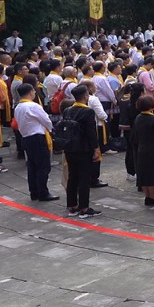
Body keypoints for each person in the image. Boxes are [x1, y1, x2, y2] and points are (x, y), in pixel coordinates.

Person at [62, 85, 101, 218]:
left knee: (73, 177)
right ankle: (84, 208)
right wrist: (96, 149)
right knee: (84, 178)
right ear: (85, 96)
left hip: (70, 148)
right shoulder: (88, 112)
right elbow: (91, 133)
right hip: (83, 148)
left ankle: (72, 206)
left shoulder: (68, 110)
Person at [13, 82, 56, 203]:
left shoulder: (18, 107)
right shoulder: (33, 106)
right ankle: (43, 192)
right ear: (30, 92)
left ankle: (34, 192)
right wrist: (51, 129)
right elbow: (46, 120)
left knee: (32, 167)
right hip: (37, 137)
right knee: (43, 166)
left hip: (26, 137)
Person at [130, 94, 154, 207]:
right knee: (152, 174)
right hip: (153, 150)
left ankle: (147, 196)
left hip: (141, 148)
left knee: (144, 174)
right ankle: (153, 197)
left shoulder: (138, 118)